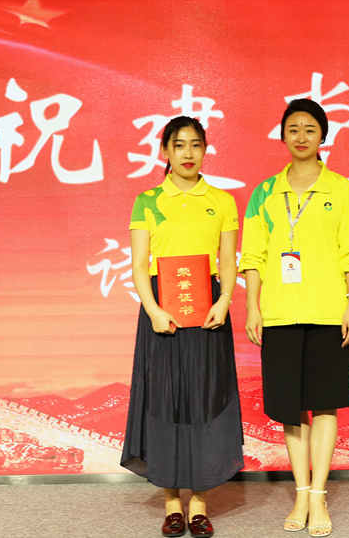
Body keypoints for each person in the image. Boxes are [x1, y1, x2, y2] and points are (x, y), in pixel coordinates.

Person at [239, 98, 349, 538]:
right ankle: (300, 492)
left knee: (325, 403)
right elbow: (253, 256)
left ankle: (318, 495)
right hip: (279, 313)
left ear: (323, 137)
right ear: (282, 136)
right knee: (291, 409)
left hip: (327, 310)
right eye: (293, 128)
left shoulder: (341, 189)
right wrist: (253, 307)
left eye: (310, 129)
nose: (301, 136)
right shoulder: (264, 193)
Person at [121, 116, 244, 538]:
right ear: (165, 152)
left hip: (209, 312)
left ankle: (200, 506)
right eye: (178, 145)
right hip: (162, 313)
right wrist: (153, 309)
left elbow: (227, 261)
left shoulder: (222, 201)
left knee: (205, 401)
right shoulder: (147, 200)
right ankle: (172, 504)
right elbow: (140, 265)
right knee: (165, 401)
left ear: (205, 149)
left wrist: (225, 301)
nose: (188, 153)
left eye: (195, 144)